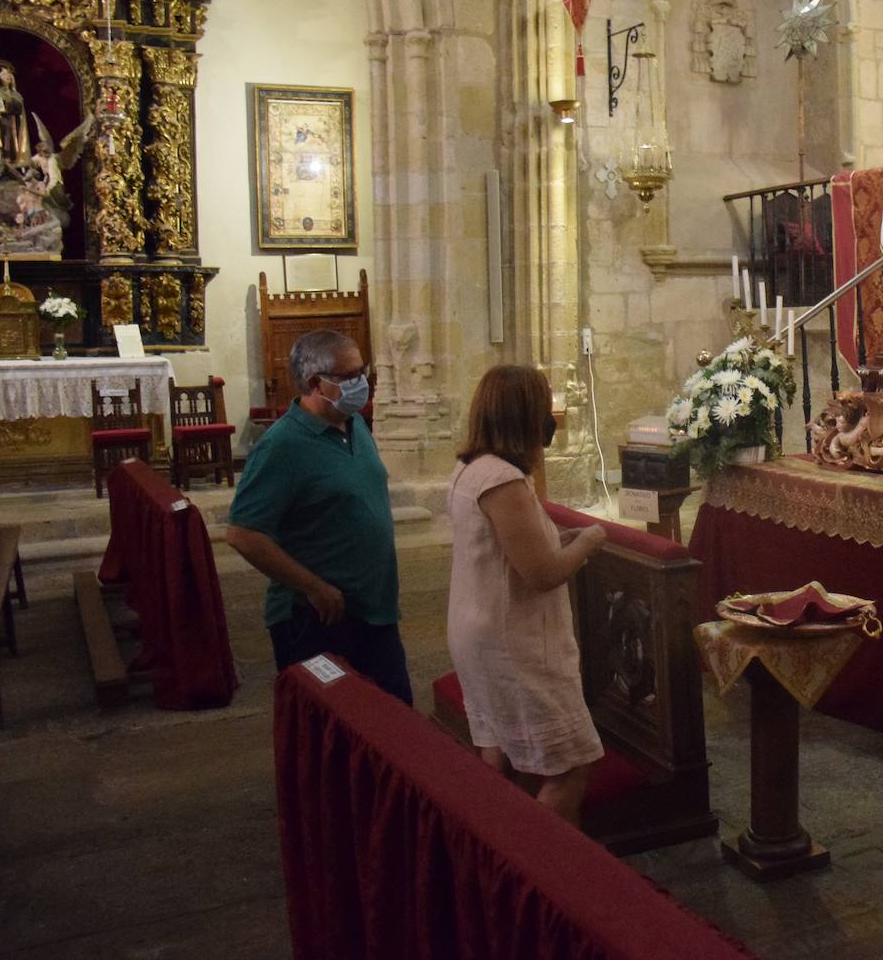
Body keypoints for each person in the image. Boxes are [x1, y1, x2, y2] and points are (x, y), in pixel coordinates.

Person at [446, 365, 606, 825]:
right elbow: (542, 573)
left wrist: (561, 535)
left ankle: (496, 853)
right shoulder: (503, 482)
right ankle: (544, 872)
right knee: (569, 768)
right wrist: (590, 540)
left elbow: (506, 545)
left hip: (478, 628)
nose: (552, 416)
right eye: (545, 405)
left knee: (497, 752)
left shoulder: (471, 468)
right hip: (512, 641)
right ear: (525, 415)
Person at [226, 329, 411, 706]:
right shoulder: (282, 446)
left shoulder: (355, 424)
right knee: (333, 730)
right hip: (318, 617)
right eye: (351, 376)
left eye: (364, 372)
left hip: (375, 608)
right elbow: (243, 533)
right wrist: (313, 586)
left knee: (395, 722)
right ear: (315, 383)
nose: (363, 384)